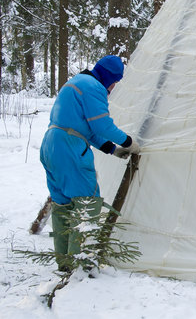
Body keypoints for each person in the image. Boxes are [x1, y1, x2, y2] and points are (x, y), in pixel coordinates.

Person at [40, 55, 140, 270]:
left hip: (52, 144)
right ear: (108, 76)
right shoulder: (94, 87)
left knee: (63, 204)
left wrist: (113, 150)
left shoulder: (77, 83)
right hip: (69, 148)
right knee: (87, 202)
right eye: (114, 81)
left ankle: (64, 262)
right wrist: (129, 142)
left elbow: (88, 130)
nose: (113, 87)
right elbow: (102, 126)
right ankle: (81, 264)